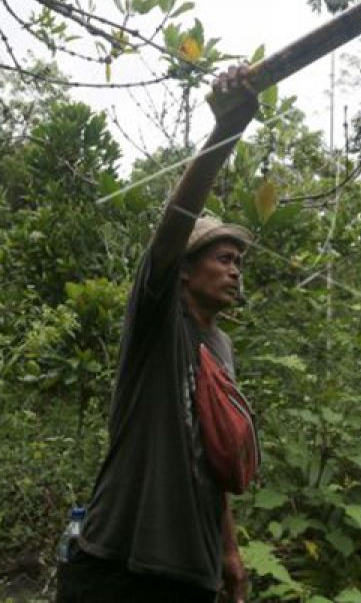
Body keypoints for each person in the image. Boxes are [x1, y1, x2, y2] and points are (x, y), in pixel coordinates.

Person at [56, 66, 261, 602]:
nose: (236, 269)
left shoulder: (221, 348)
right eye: (223, 257)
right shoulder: (158, 320)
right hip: (118, 566)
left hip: (190, 573)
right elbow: (173, 225)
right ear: (185, 271)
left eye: (240, 260)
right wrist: (226, 132)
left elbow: (209, 458)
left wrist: (230, 554)